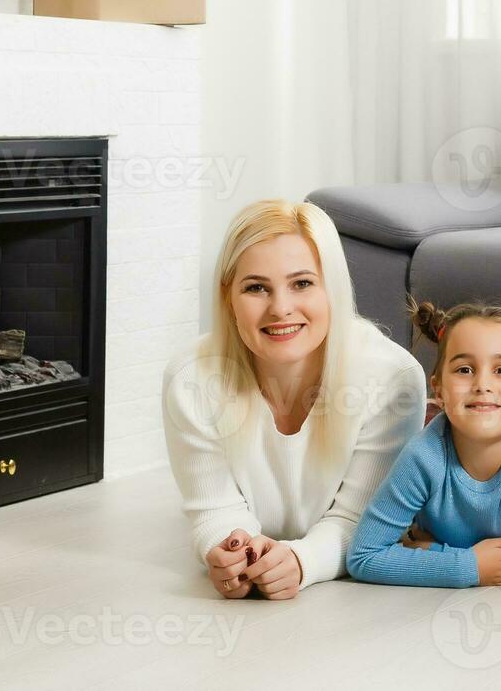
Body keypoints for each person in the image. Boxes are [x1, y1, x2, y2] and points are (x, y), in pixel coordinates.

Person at [163, 199, 427, 600]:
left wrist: (301, 562)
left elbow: (363, 519)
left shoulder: (393, 378)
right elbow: (213, 509)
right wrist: (234, 553)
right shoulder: (191, 378)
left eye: (302, 283)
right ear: (227, 296)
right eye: (255, 288)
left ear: (332, 289)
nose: (280, 309)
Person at [346, 293, 501, 587]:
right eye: (464, 370)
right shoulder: (423, 457)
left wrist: (432, 551)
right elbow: (363, 556)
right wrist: (469, 566)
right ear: (438, 389)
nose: (482, 385)